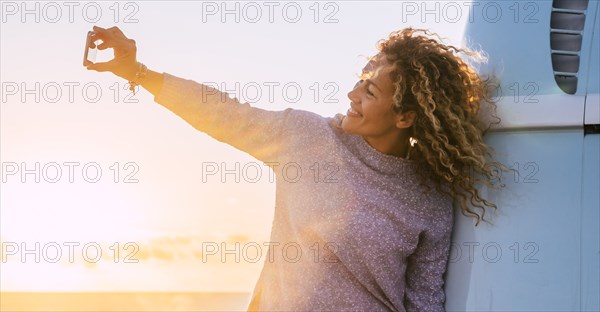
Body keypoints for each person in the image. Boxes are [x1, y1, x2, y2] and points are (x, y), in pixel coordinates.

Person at [86, 26, 506, 311]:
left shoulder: (429, 197)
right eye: (360, 80)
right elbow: (224, 114)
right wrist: (136, 72)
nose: (352, 93)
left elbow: (423, 302)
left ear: (405, 117)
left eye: (370, 89)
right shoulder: (307, 140)